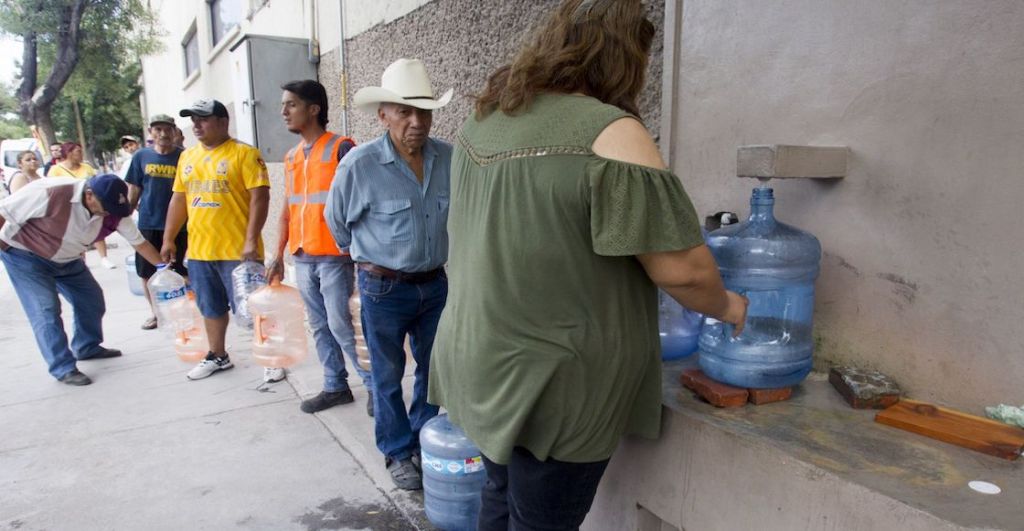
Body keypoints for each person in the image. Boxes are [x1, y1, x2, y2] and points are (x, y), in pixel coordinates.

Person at [427, 1, 750, 529]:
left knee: (499, 495)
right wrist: (731, 306)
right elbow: (684, 272)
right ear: (625, 56)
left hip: (479, 361)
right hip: (556, 386)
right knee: (539, 521)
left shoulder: (484, 120)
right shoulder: (611, 132)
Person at [325, 58, 452, 490]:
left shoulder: (448, 158)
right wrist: (370, 256)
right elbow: (337, 224)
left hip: (435, 284)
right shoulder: (359, 165)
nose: (416, 122)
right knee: (387, 374)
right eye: (404, 112)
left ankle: (422, 439)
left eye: (424, 112)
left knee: (435, 371)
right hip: (382, 287)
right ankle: (397, 451)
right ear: (383, 115)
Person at [267, 80, 372, 415]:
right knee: (319, 325)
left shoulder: (342, 148)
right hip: (303, 256)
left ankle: (374, 387)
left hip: (334, 256)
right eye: (283, 105)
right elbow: (289, 207)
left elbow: (362, 201)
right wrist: (278, 252)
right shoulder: (292, 156)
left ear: (314, 109)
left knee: (342, 325)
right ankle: (335, 385)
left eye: (291, 104)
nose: (284, 111)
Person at [0, 174, 164, 385]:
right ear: (89, 195)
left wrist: (163, 268)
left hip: (68, 259)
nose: (108, 214)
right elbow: (3, 214)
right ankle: (63, 367)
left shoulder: (114, 209)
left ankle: (87, 347)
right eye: (106, 209)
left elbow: (140, 244)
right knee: (46, 310)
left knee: (91, 300)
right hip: (25, 256)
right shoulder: (49, 192)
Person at [160, 99, 274, 382]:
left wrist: (251, 240)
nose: (196, 125)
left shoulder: (244, 154)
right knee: (210, 307)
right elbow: (179, 199)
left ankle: (272, 356)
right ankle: (218, 355)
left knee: (254, 307)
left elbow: (260, 197)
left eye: (203, 119)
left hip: (238, 251)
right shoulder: (187, 157)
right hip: (200, 251)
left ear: (224, 121)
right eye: (193, 119)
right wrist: (169, 238)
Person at [126, 114, 188, 330]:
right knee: (147, 272)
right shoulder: (141, 157)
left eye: (167, 129)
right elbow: (134, 189)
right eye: (158, 129)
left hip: (179, 225)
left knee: (180, 270)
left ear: (175, 131)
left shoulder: (185, 157)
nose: (163, 134)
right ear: (151, 133)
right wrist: (127, 213)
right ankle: (156, 313)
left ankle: (183, 313)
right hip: (148, 223)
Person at [48, 142, 117, 269]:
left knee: (96, 231)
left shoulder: (86, 167)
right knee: (76, 236)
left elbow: (96, 183)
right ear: (68, 153)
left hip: (90, 205)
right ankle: (81, 262)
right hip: (69, 208)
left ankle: (104, 258)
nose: (81, 154)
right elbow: (51, 190)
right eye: (78, 151)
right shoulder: (56, 170)